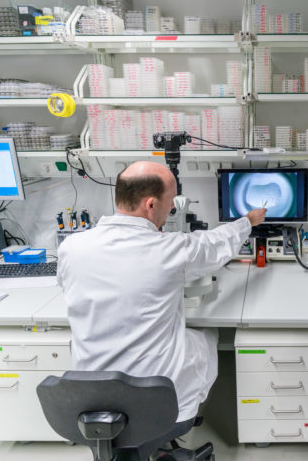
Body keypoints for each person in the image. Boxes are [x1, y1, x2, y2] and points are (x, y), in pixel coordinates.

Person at [58, 161, 266, 424]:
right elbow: (215, 244)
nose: (172, 208)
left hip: (90, 393)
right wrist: (248, 221)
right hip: (156, 395)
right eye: (171, 201)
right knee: (209, 335)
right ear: (151, 204)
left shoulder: (71, 247)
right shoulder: (171, 250)